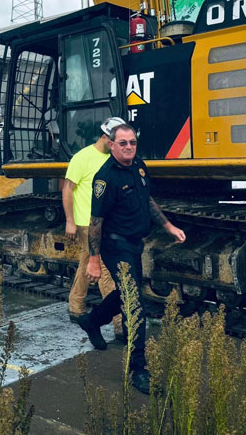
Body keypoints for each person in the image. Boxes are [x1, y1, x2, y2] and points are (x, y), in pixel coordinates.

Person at [76, 123, 186, 394]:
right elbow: (95, 222)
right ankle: (138, 368)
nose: (128, 147)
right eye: (122, 143)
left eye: (132, 142)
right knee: (134, 306)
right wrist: (93, 259)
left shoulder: (138, 165)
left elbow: (147, 200)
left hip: (134, 244)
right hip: (115, 247)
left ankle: (92, 321)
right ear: (111, 145)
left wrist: (168, 226)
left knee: (129, 293)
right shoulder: (105, 178)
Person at [63, 117, 126, 339]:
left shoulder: (113, 159)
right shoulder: (83, 158)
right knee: (105, 271)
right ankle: (120, 324)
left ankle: (75, 307)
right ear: (104, 137)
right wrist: (70, 221)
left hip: (105, 223)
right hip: (86, 224)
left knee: (85, 263)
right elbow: (68, 189)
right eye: (115, 141)